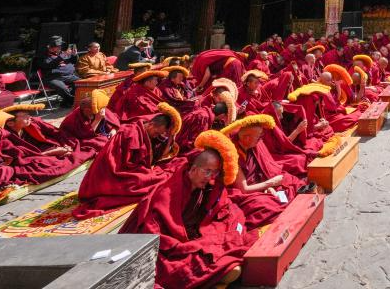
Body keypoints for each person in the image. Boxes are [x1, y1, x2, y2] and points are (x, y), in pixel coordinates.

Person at [120, 130, 257, 289]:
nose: (211, 177)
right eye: (207, 171)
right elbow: (153, 232)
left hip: (190, 240)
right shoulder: (168, 192)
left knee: (230, 249)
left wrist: (204, 238)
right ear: (193, 169)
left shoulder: (206, 188)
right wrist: (187, 246)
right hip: (167, 248)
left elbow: (225, 209)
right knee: (179, 269)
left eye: (215, 172)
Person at [74, 104, 181, 218]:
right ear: (151, 124)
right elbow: (120, 164)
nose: (156, 137)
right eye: (156, 133)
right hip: (109, 176)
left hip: (121, 171)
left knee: (155, 177)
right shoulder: (130, 133)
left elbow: (149, 158)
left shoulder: (143, 131)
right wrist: (142, 171)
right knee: (152, 180)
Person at [221, 114, 309, 227]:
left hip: (260, 185)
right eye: (258, 137)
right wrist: (270, 183)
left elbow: (263, 170)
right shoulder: (234, 155)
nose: (261, 139)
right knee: (266, 206)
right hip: (243, 193)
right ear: (247, 138)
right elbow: (244, 189)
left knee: (291, 181)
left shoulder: (253, 147)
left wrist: (268, 187)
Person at [59, 90, 119, 154]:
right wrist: (97, 120)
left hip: (96, 134)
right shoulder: (74, 118)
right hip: (78, 137)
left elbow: (113, 119)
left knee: (123, 132)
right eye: (101, 109)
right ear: (87, 110)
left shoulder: (99, 108)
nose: (103, 111)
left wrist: (113, 130)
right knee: (102, 144)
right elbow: (86, 135)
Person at [36, 36, 80, 105]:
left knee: (81, 83)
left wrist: (74, 55)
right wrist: (61, 57)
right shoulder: (43, 56)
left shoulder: (61, 53)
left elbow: (73, 61)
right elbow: (49, 65)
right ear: (51, 47)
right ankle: (72, 101)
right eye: (58, 46)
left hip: (67, 76)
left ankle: (68, 101)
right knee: (63, 88)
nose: (60, 48)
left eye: (60, 46)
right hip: (52, 77)